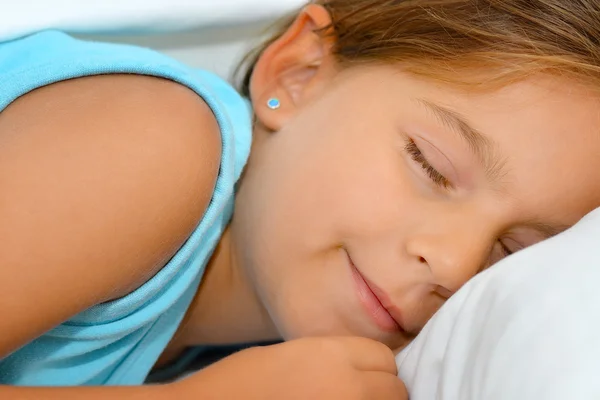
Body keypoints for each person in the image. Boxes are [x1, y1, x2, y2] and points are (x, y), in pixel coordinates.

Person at [1, 0, 600, 398]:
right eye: (431, 166)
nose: (453, 262)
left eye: (510, 252)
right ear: (299, 73)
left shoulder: (271, 356)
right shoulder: (149, 143)